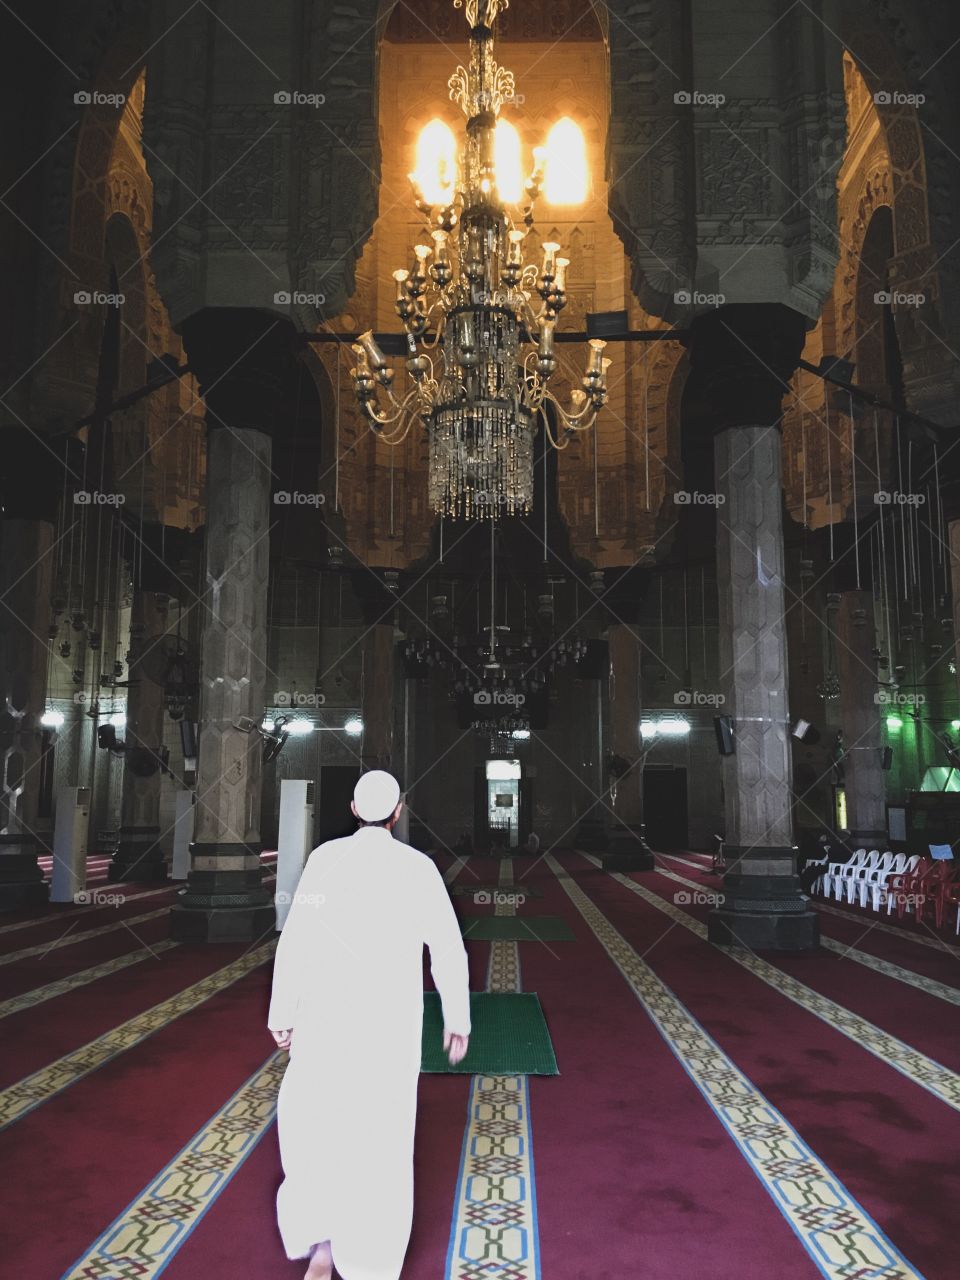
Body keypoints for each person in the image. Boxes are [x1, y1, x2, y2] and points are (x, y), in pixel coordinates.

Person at [268, 770, 471, 1280]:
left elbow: (296, 940)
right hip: (388, 1025)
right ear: (398, 812)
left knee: (316, 1127)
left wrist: (283, 1012)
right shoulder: (418, 868)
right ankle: (369, 1262)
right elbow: (447, 947)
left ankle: (323, 1245)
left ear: (354, 811)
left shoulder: (323, 861)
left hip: (325, 1017)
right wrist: (457, 1018)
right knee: (379, 1138)